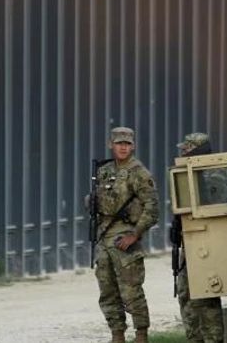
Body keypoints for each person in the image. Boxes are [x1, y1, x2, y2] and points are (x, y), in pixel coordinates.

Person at [93, 127, 159, 343]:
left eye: (127, 143)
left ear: (133, 146)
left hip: (125, 237)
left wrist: (135, 234)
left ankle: (141, 335)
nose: (123, 147)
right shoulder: (104, 170)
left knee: (131, 292)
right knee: (107, 290)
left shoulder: (139, 173)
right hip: (104, 236)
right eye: (119, 143)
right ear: (110, 144)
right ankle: (117, 334)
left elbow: (152, 208)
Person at [172, 133, 225, 343]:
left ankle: (213, 339)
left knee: (206, 296)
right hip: (190, 243)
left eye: (186, 149)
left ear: (196, 150)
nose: (182, 153)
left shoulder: (214, 174)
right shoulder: (189, 175)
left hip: (206, 243)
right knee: (186, 294)